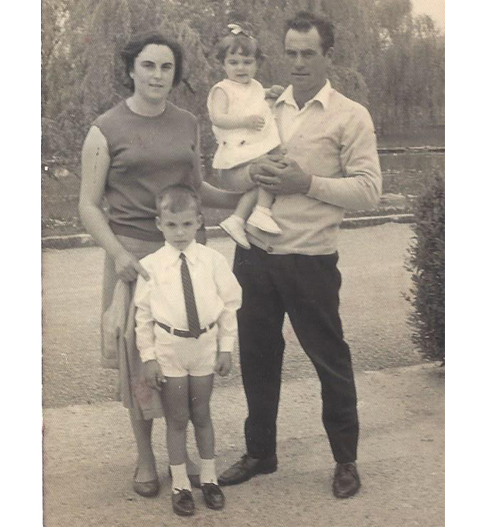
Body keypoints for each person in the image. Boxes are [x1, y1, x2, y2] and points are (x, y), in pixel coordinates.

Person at [217, 11, 382, 500]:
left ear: (328, 54)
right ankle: (260, 453)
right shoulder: (262, 106)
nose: (298, 62)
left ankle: (345, 460)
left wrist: (305, 183)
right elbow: (228, 173)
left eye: (308, 53)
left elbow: (370, 191)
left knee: (330, 360)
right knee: (257, 358)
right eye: (290, 52)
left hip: (310, 258)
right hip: (254, 255)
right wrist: (252, 178)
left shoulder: (351, 115)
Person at [78, 30, 240, 500]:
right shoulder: (104, 128)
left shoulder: (188, 123)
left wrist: (239, 197)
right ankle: (146, 457)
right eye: (148, 65)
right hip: (134, 258)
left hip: (186, 257)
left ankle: (181, 455)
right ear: (131, 69)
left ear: (176, 74)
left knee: (184, 358)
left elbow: (197, 190)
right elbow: (88, 205)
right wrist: (120, 254)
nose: (157, 75)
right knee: (141, 360)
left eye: (166, 67)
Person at [134, 185, 242, 516]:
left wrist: (226, 348)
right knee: (178, 418)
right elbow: (143, 317)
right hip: (170, 349)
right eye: (171, 225)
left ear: (198, 222)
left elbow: (228, 306)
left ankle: (209, 479)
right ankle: (180, 483)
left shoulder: (213, 261)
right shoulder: (150, 266)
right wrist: (149, 358)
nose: (179, 233)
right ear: (159, 224)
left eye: (186, 224)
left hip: (204, 346)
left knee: (202, 414)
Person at [208, 24, 286, 249]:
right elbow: (217, 117)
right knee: (268, 167)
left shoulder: (253, 86)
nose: (240, 68)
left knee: (273, 164)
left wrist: (270, 93)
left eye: (247, 62)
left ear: (257, 63)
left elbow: (252, 98)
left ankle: (240, 218)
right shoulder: (222, 89)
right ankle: (259, 212)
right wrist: (244, 121)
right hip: (235, 152)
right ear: (223, 64)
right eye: (233, 62)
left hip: (250, 149)